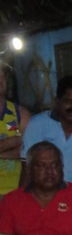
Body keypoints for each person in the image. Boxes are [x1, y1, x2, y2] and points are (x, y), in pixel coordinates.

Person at [21, 75, 72, 188]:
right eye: (68, 101)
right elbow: (27, 169)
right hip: (42, 196)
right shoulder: (37, 125)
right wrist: (23, 197)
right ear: (58, 101)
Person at [0, 61, 30, 198]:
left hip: (14, 192)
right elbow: (20, 145)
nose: (0, 80)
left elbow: (28, 152)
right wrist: (14, 141)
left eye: (2, 76)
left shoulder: (20, 114)